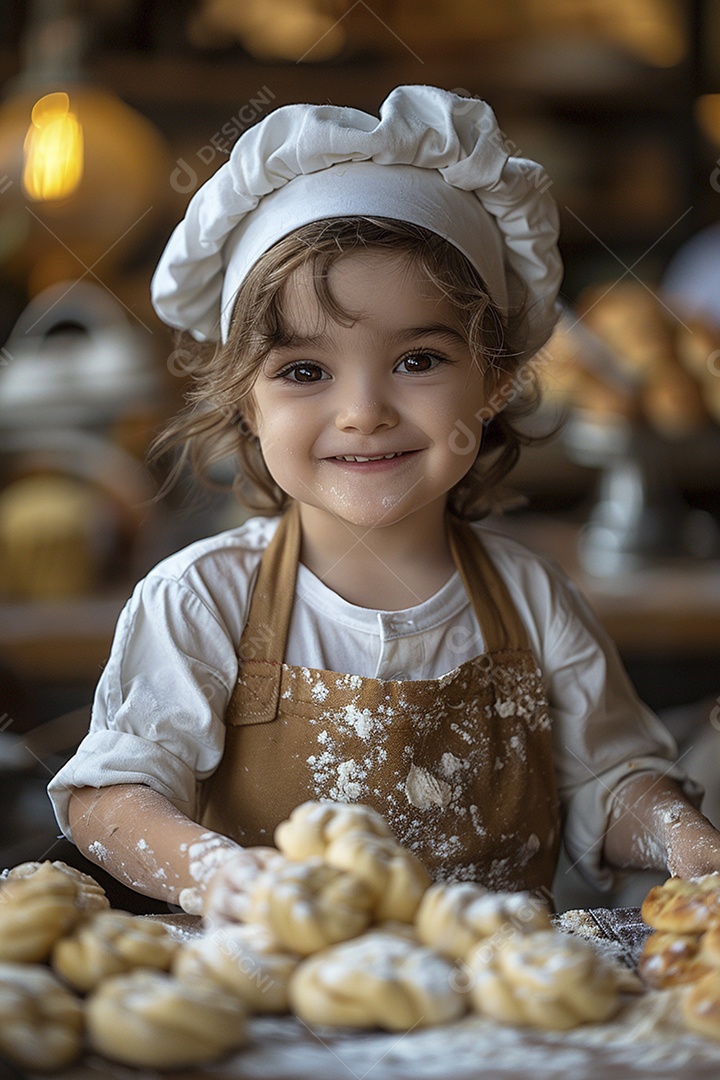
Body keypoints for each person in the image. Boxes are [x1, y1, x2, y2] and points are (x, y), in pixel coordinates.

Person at [47, 86, 720, 923]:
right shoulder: (201, 601)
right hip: (270, 1016)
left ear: (496, 380)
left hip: (498, 1017)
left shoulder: (533, 600)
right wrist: (217, 873)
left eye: (418, 361)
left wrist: (680, 834)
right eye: (304, 371)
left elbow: (613, 784)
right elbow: (109, 800)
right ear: (245, 402)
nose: (363, 411)